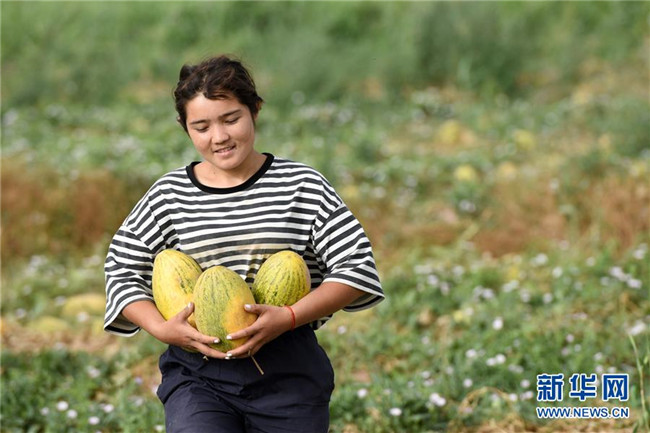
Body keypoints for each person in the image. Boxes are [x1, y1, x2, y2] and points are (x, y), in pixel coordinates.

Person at [103, 55, 384, 433]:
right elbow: (121, 268)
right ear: (185, 128)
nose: (219, 136)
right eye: (201, 126)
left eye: (231, 119)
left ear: (255, 110)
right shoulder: (169, 194)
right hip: (197, 374)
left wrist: (288, 317)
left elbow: (356, 267)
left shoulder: (302, 185)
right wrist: (161, 328)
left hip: (288, 369)